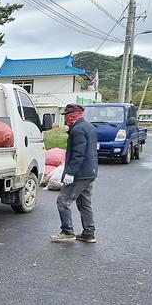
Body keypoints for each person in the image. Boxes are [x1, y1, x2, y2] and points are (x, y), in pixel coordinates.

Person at [50, 104, 98, 243]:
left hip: (80, 173)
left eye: (66, 116)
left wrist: (71, 173)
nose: (65, 119)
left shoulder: (77, 130)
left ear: (72, 116)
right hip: (90, 172)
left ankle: (67, 232)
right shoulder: (89, 126)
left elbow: (78, 154)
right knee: (84, 203)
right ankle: (89, 233)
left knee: (63, 201)